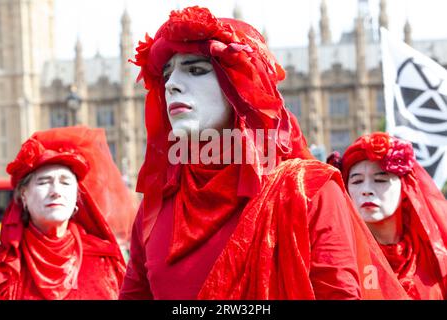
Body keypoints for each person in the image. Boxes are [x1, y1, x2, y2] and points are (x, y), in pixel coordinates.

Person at [120, 6, 407, 300]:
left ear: (242, 85)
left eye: (196, 70)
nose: (172, 85)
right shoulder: (155, 208)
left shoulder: (307, 192)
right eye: (166, 73)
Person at [0, 126, 127, 300]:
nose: (56, 191)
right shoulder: (6, 269)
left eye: (65, 183)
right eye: (44, 182)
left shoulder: (105, 260)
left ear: (76, 197)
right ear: (24, 195)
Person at [329, 132, 447, 299]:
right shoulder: (338, 257)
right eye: (356, 181)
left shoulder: (434, 255)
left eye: (380, 180)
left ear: (405, 187)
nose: (366, 190)